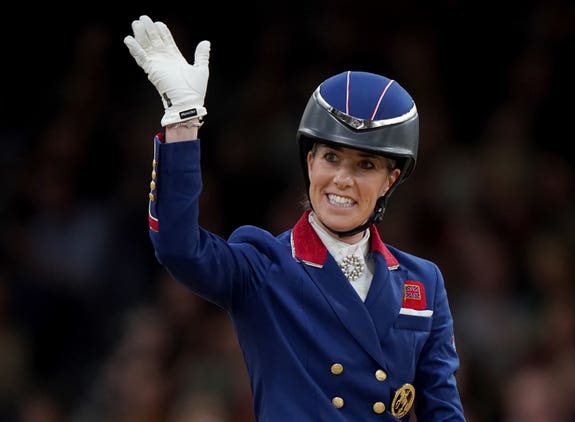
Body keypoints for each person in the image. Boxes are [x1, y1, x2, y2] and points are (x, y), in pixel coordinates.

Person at [124, 14, 466, 421]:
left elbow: (442, 411)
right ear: (310, 161)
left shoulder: (423, 282)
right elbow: (179, 248)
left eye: (366, 165)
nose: (342, 179)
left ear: (390, 180)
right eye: (331, 157)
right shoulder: (264, 264)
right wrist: (184, 124)